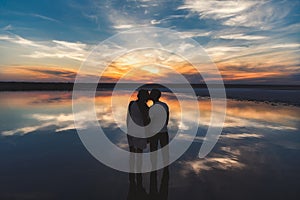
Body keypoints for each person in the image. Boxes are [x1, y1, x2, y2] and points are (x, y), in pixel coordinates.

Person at [126, 89, 150, 185]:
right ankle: (138, 172)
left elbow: (128, 117)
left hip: (131, 130)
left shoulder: (131, 103)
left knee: (132, 151)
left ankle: (132, 171)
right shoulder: (144, 106)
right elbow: (146, 120)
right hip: (140, 131)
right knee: (139, 152)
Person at [148, 89, 169, 168]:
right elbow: (167, 120)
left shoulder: (152, 108)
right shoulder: (165, 105)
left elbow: (149, 122)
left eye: (151, 94)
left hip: (154, 132)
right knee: (165, 151)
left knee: (153, 151)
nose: (150, 95)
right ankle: (165, 168)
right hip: (164, 131)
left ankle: (154, 167)